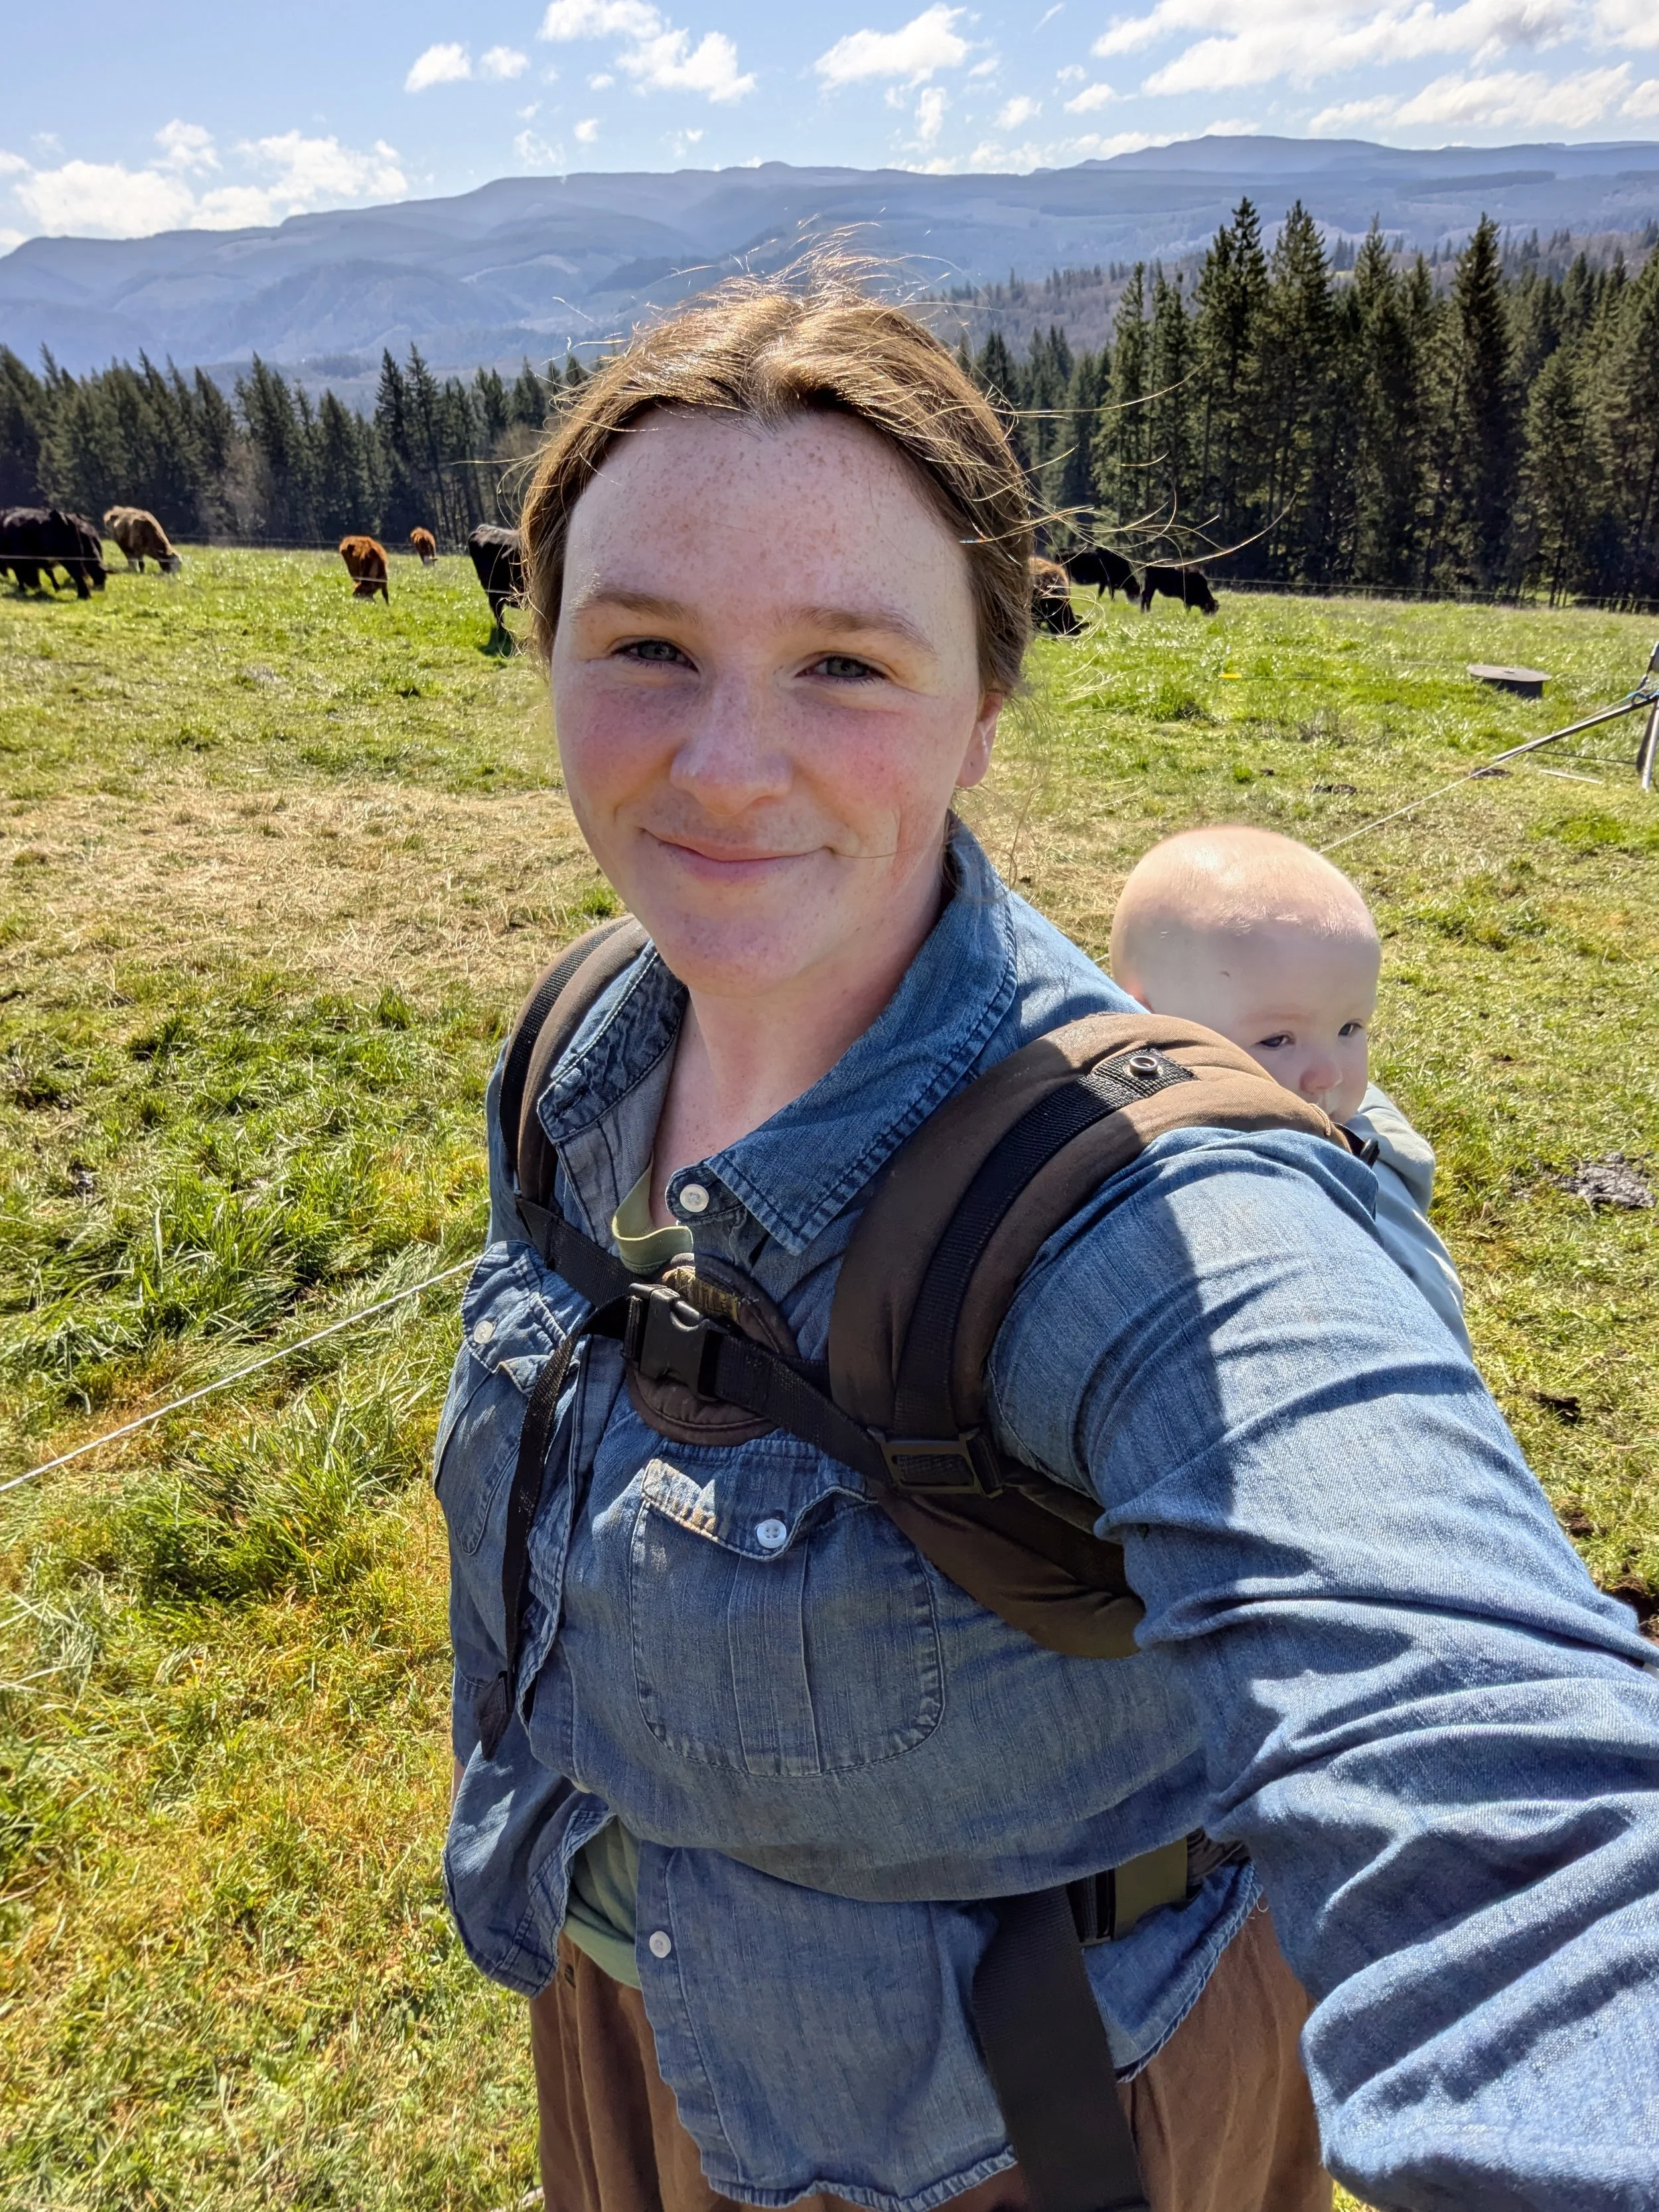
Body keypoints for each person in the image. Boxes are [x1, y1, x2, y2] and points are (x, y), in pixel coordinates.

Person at [437, 273, 1659, 2212]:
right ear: (546, 649)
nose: (726, 763)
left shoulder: (1161, 1214)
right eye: (645, 644)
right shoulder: (587, 1045)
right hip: (642, 2034)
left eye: (841, 663)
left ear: (983, 705)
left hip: (1015, 2131)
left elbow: (1504, 1804)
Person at [1109, 824, 1470, 1351]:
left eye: (1350, 1029)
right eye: (1278, 1039)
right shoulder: (1118, 1152)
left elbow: (1430, 1326)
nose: (1329, 1075)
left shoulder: (1361, 1173)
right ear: (1147, 1027)